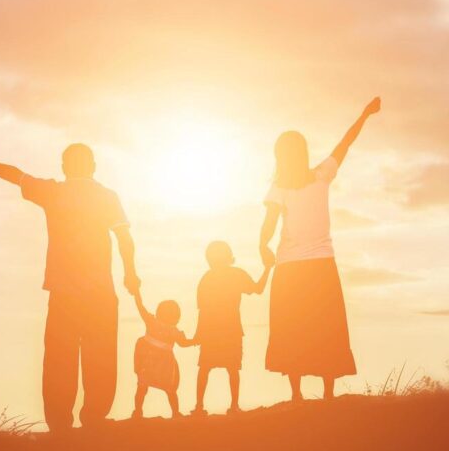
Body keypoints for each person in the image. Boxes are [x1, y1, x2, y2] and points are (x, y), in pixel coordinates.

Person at [0, 138, 140, 431]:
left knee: (60, 357)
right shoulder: (107, 196)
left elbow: (13, 174)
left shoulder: (53, 191)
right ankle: (94, 418)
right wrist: (131, 273)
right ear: (93, 167)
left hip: (64, 292)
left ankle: (59, 423)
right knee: (101, 355)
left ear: (64, 167)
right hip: (100, 292)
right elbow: (124, 238)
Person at [258, 97, 381, 401]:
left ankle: (297, 394)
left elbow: (269, 223)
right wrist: (364, 114)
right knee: (326, 327)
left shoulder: (285, 186)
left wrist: (262, 247)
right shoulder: (320, 175)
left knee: (293, 327)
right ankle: (327, 392)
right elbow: (346, 143)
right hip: (319, 265)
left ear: (280, 156)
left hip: (291, 267)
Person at [191, 241, 274, 416]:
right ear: (229, 257)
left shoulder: (206, 278)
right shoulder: (235, 274)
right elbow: (258, 289)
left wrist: (199, 334)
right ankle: (233, 406)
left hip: (213, 330)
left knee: (206, 368)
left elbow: (202, 310)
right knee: (231, 368)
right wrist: (267, 269)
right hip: (230, 329)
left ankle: (200, 406)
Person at [132, 291, 195, 419]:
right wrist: (197, 340)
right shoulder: (172, 330)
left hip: (150, 362)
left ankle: (138, 411)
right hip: (161, 364)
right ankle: (175, 413)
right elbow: (184, 343)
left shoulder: (153, 322)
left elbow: (140, 307)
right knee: (170, 389)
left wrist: (137, 294)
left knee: (143, 387)